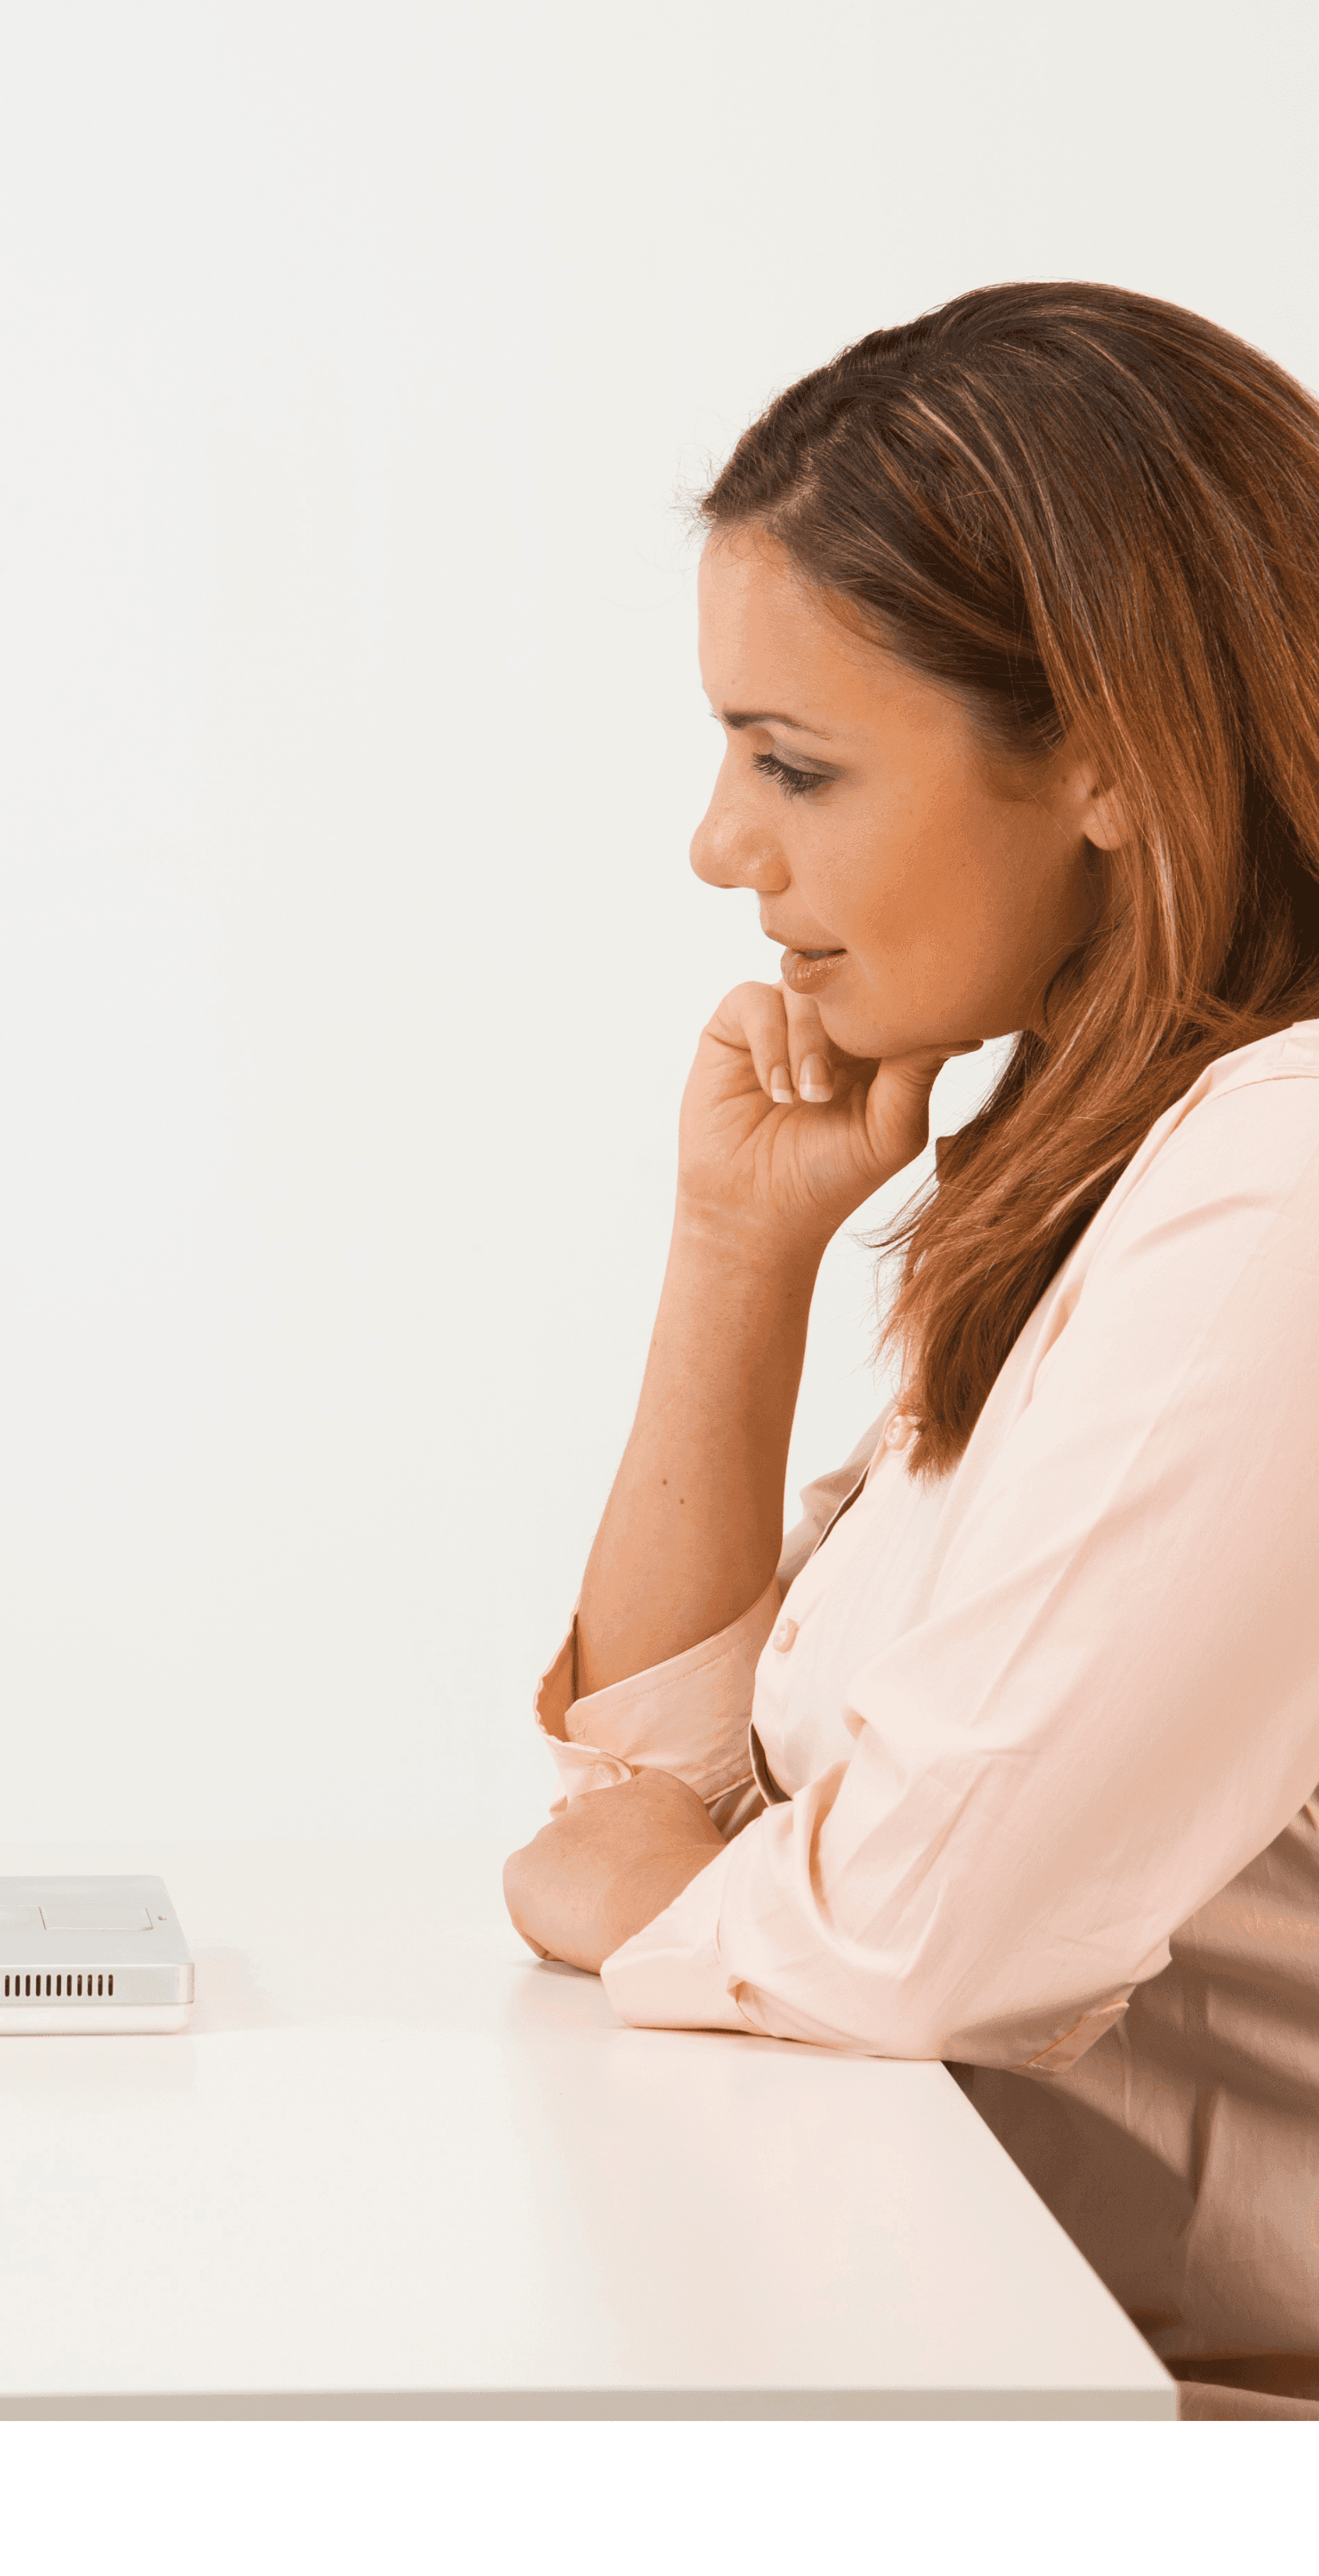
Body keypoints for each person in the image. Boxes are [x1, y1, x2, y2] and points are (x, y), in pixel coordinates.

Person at [502, 281, 1319, 2426]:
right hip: (1020, 2352)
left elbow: (899, 1947)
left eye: (795, 762)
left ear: (1120, 763)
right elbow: (673, 1804)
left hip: (1209, 2416)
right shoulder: (1131, 1167)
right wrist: (739, 1252)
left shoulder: (1293, 1190)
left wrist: (689, 1894)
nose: (717, 843)